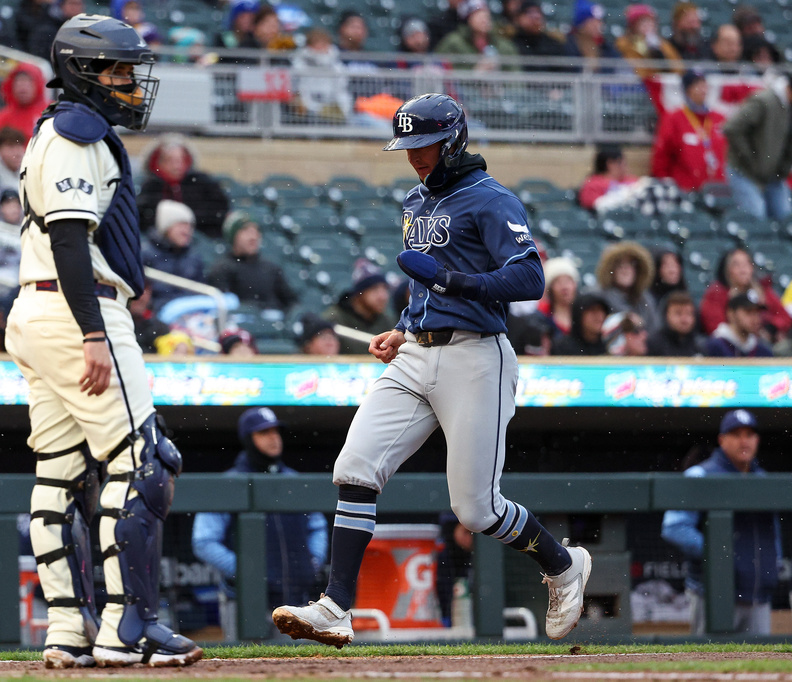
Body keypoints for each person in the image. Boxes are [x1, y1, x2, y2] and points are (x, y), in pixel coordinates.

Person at [272, 94, 591, 648]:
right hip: (417, 350)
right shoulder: (415, 200)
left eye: (425, 145)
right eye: (409, 146)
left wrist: (452, 282)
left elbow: (529, 281)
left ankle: (564, 566)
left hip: (476, 355)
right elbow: (426, 284)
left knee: (476, 509)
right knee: (354, 467)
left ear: (453, 140)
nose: (416, 156)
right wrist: (404, 325)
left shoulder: (491, 200)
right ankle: (335, 607)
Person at [4, 14, 202, 669]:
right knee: (144, 466)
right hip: (76, 311)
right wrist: (92, 331)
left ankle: (67, 629)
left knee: (59, 473)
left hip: (38, 312)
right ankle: (129, 628)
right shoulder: (76, 130)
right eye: (118, 71)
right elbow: (68, 238)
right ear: (86, 74)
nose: (129, 84)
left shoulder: (57, 130)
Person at [193, 407, 328, 637]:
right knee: (246, 660)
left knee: (300, 666)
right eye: (264, 432)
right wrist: (248, 570)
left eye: (275, 431)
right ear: (249, 438)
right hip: (245, 600)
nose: (273, 438)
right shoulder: (230, 483)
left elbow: (317, 526)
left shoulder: (294, 481)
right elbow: (204, 541)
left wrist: (312, 562)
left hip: (298, 599)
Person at [661, 409, 781, 635]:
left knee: (756, 667)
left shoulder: (763, 479)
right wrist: (721, 556)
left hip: (758, 597)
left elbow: (772, 530)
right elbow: (674, 527)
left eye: (750, 434)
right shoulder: (701, 475)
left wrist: (774, 564)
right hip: (713, 594)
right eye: (736, 434)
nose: (744, 440)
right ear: (722, 439)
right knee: (708, 663)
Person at [722, 73, 792, 221]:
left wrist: (782, 169)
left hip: (772, 175)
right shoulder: (763, 101)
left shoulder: (788, 107)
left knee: (785, 217)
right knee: (756, 216)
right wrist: (751, 159)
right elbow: (732, 128)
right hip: (744, 171)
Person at [136, 135, 230, 238]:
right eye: (170, 160)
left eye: (181, 160)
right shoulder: (150, 187)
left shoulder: (202, 183)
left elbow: (218, 211)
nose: (177, 166)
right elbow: (143, 220)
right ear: (158, 163)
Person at [651, 70, 728, 193]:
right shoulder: (673, 118)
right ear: (687, 90)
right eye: (697, 85)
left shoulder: (719, 118)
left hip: (717, 191)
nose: (703, 89)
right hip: (686, 191)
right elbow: (662, 155)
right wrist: (665, 184)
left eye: (704, 84)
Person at [206, 211, 298, 312]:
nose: (253, 237)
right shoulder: (221, 269)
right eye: (246, 231)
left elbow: (292, 302)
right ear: (233, 236)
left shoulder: (271, 268)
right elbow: (222, 308)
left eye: (256, 231)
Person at [699, 247, 790, 340]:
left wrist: (772, 328)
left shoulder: (763, 291)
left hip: (764, 343)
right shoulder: (716, 294)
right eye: (736, 264)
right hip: (731, 344)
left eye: (746, 264)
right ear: (727, 269)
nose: (743, 269)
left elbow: (784, 317)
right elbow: (715, 327)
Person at [322, 259, 396, 354]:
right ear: (359, 294)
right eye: (374, 289)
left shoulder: (387, 321)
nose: (383, 296)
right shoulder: (334, 319)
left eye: (385, 289)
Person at [141, 200, 205, 310]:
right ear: (166, 227)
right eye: (181, 225)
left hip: (193, 312)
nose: (187, 231)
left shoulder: (194, 257)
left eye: (189, 226)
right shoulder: (145, 254)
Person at [593, 241, 660, 334]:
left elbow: (654, 332)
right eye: (620, 265)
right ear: (611, 270)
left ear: (638, 271)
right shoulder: (597, 297)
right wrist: (623, 319)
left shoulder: (646, 300)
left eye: (631, 265)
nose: (625, 269)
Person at [290, 28, 354, 124]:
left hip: (332, 106)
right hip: (308, 111)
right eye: (317, 44)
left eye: (324, 44)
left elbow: (341, 90)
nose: (321, 47)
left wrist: (341, 108)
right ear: (309, 45)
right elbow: (297, 90)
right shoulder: (299, 64)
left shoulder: (337, 66)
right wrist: (312, 107)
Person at [435, 0, 520, 71]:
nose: (484, 19)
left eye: (486, 15)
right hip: (462, 90)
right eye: (478, 15)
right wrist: (475, 73)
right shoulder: (453, 42)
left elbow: (515, 75)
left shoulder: (504, 45)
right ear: (468, 19)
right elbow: (443, 70)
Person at [614, 4, 681, 79]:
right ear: (633, 26)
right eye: (643, 22)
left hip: (662, 85)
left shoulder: (663, 44)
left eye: (651, 22)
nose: (648, 26)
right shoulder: (624, 43)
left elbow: (678, 70)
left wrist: (659, 53)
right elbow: (637, 71)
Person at [704, 290, 774, 357]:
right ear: (731, 314)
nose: (755, 319)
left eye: (757, 313)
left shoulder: (762, 350)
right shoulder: (715, 347)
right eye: (748, 312)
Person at [563, 0, 622, 71]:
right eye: (593, 21)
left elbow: (614, 66)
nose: (598, 25)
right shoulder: (568, 44)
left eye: (599, 21)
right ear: (582, 24)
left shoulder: (604, 45)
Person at [577, 145, 639, 211]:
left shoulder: (632, 180)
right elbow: (594, 205)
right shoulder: (593, 184)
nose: (625, 166)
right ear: (610, 163)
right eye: (621, 162)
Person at [646, 290, 704, 356]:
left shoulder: (700, 346)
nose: (684, 319)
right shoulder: (653, 345)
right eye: (678, 313)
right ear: (666, 315)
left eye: (689, 314)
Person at [511, 0, 566, 68]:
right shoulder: (510, 43)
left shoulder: (553, 44)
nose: (536, 17)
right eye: (529, 12)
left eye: (538, 12)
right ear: (518, 18)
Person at [535, 256, 579, 341]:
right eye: (558, 282)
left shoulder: (584, 313)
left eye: (568, 281)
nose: (564, 287)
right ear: (550, 288)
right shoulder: (542, 315)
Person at [128, 283, 170, 354]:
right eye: (135, 291)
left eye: (143, 291)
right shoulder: (113, 325)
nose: (139, 297)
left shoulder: (159, 327)